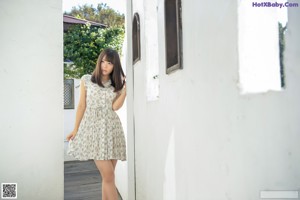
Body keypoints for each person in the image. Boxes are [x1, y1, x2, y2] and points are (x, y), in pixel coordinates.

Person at [66, 48, 127, 200]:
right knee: (109, 176)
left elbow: (115, 107)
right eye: (103, 62)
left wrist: (125, 91)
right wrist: (75, 129)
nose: (105, 66)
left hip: (112, 129)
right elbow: (81, 106)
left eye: (109, 63)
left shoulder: (116, 84)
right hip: (93, 130)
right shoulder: (87, 80)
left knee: (109, 177)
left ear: (115, 66)